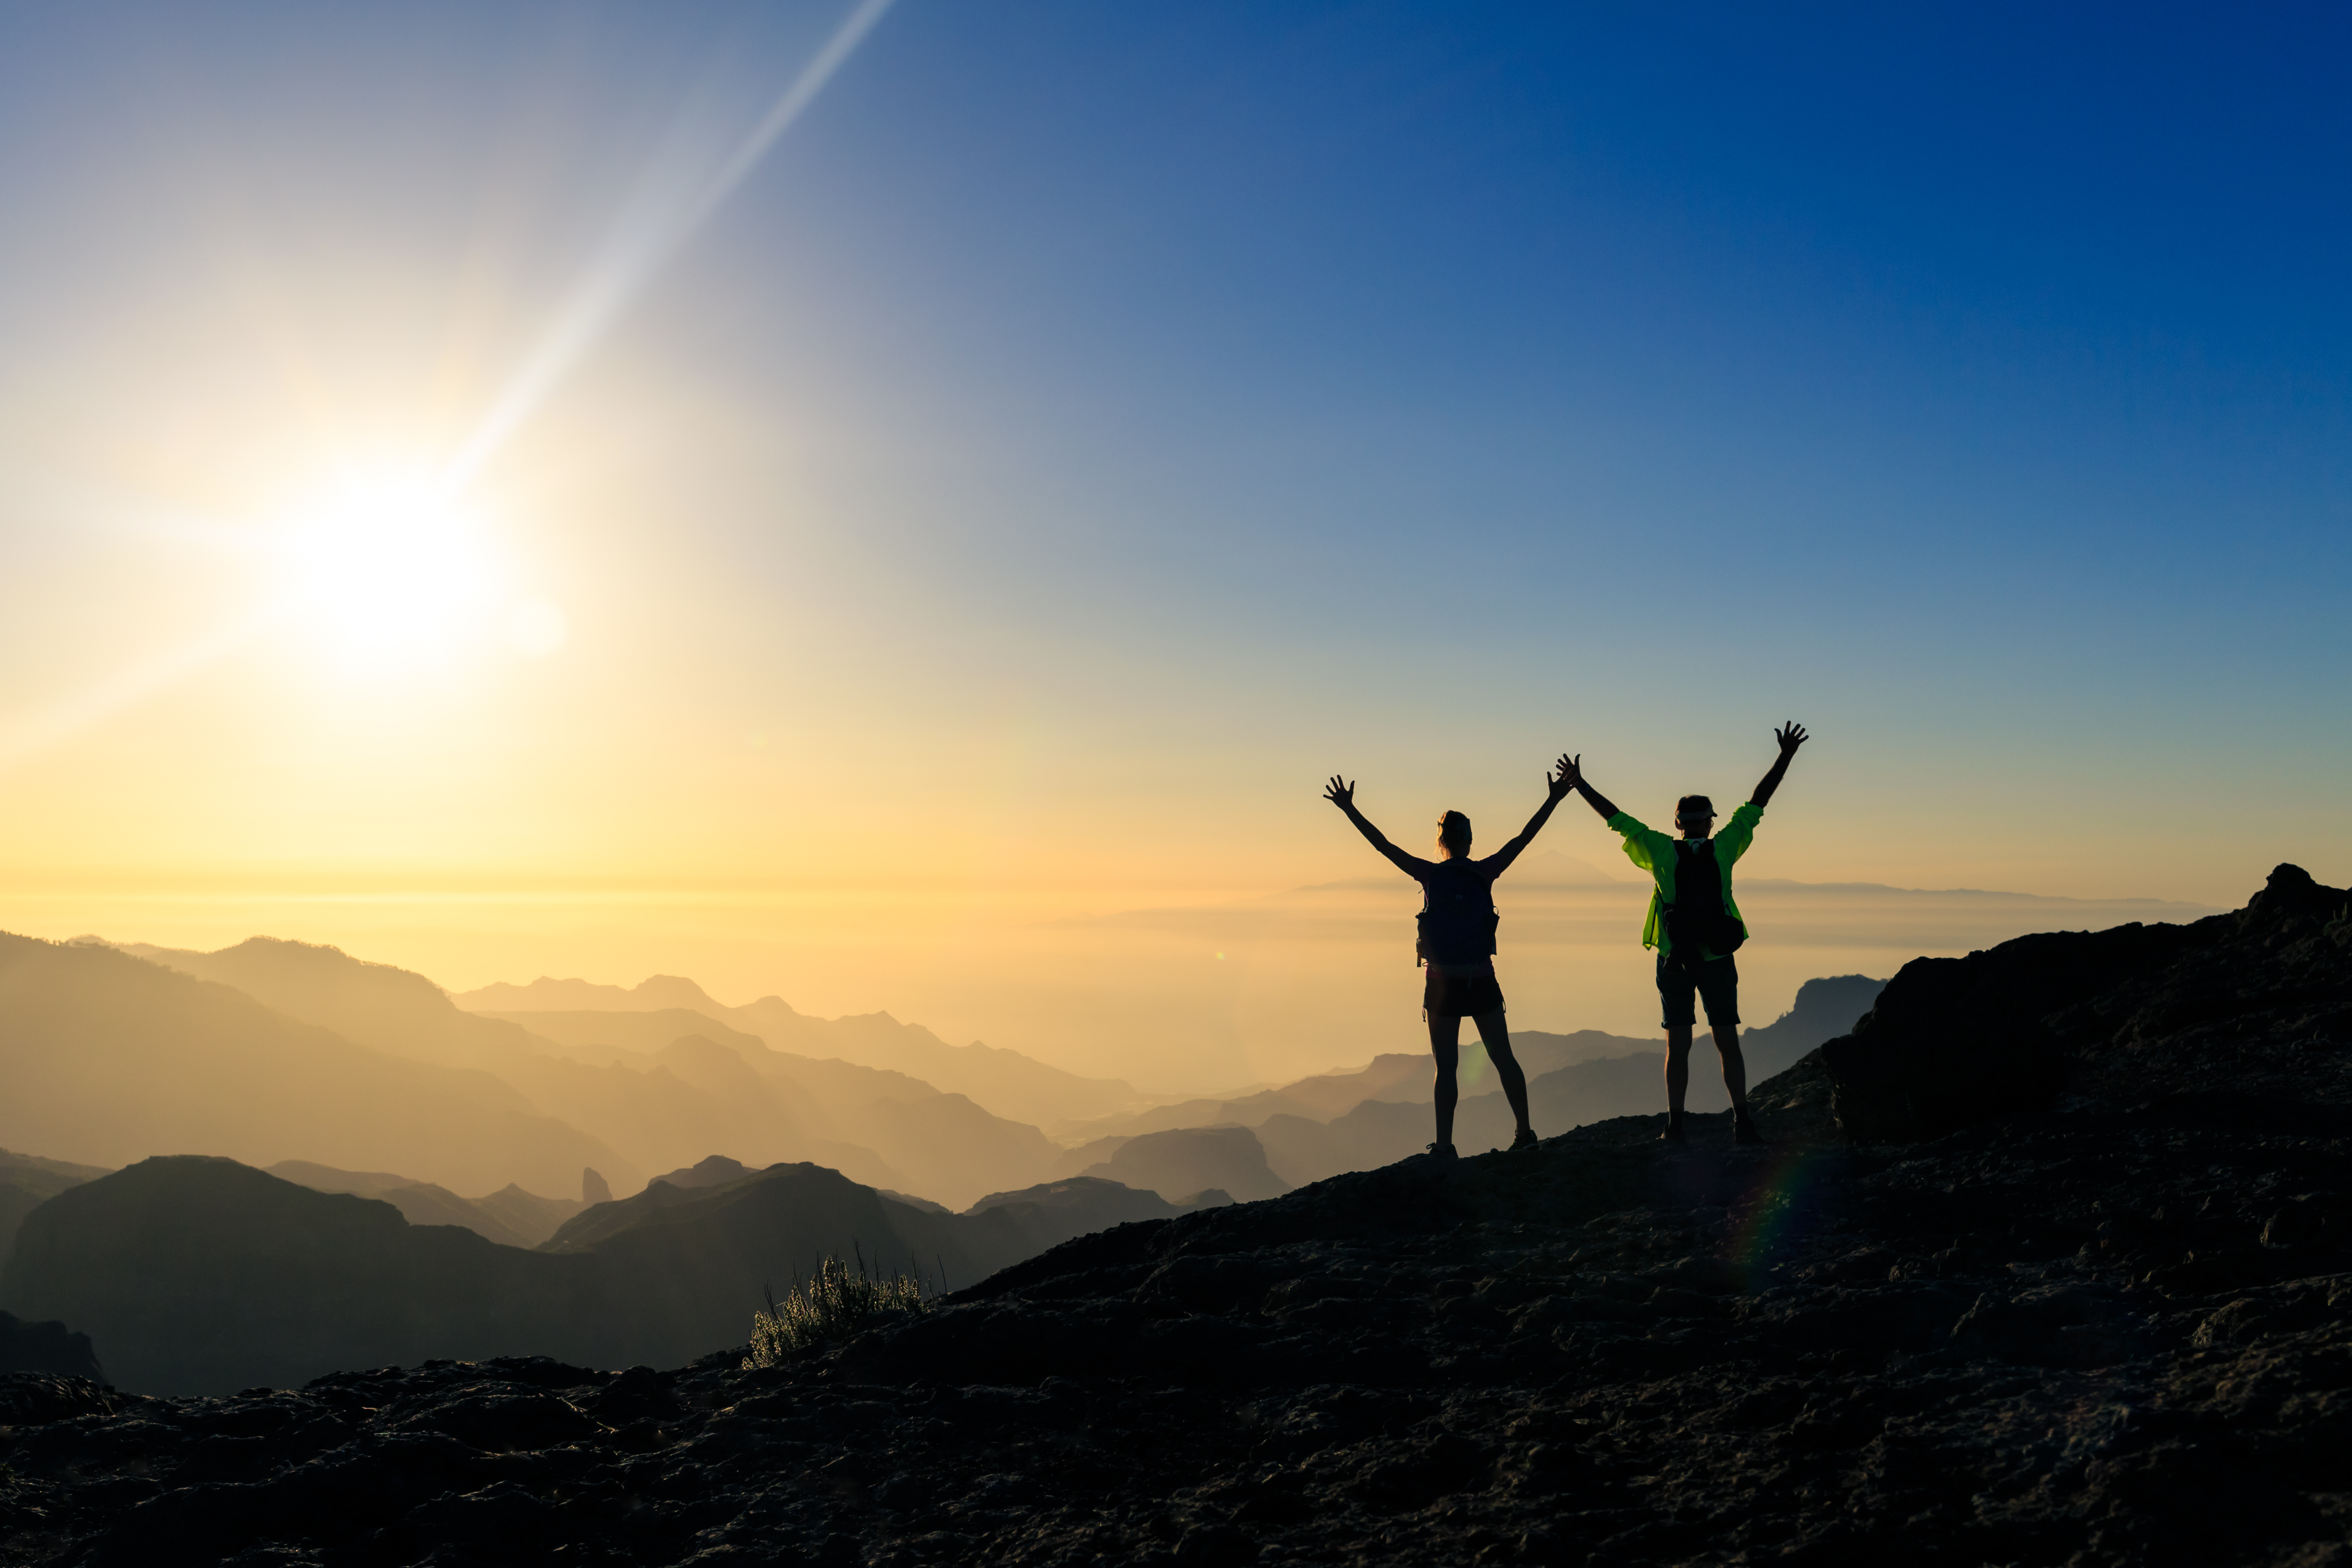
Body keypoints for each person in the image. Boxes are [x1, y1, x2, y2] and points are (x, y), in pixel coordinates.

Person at [1559, 723, 1808, 1146]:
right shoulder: (1725, 847)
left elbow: (1615, 819)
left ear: (1677, 823)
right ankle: (1742, 1121)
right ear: (1710, 823)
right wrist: (1786, 755)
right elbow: (1758, 803)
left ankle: (1674, 1126)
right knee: (1727, 1040)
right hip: (1717, 956)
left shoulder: (1660, 850)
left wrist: (1579, 783)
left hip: (1674, 958)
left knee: (1679, 1044)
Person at [1322, 755, 1576, 1158]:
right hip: (1481, 979)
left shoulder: (1430, 875)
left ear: (1441, 842)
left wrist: (1350, 809)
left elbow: (1383, 846)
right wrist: (1555, 799)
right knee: (1504, 1059)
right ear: (1469, 841)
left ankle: (1444, 1147)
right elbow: (1524, 838)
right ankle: (1525, 1133)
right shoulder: (1485, 872)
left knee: (1447, 1069)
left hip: (1442, 985)